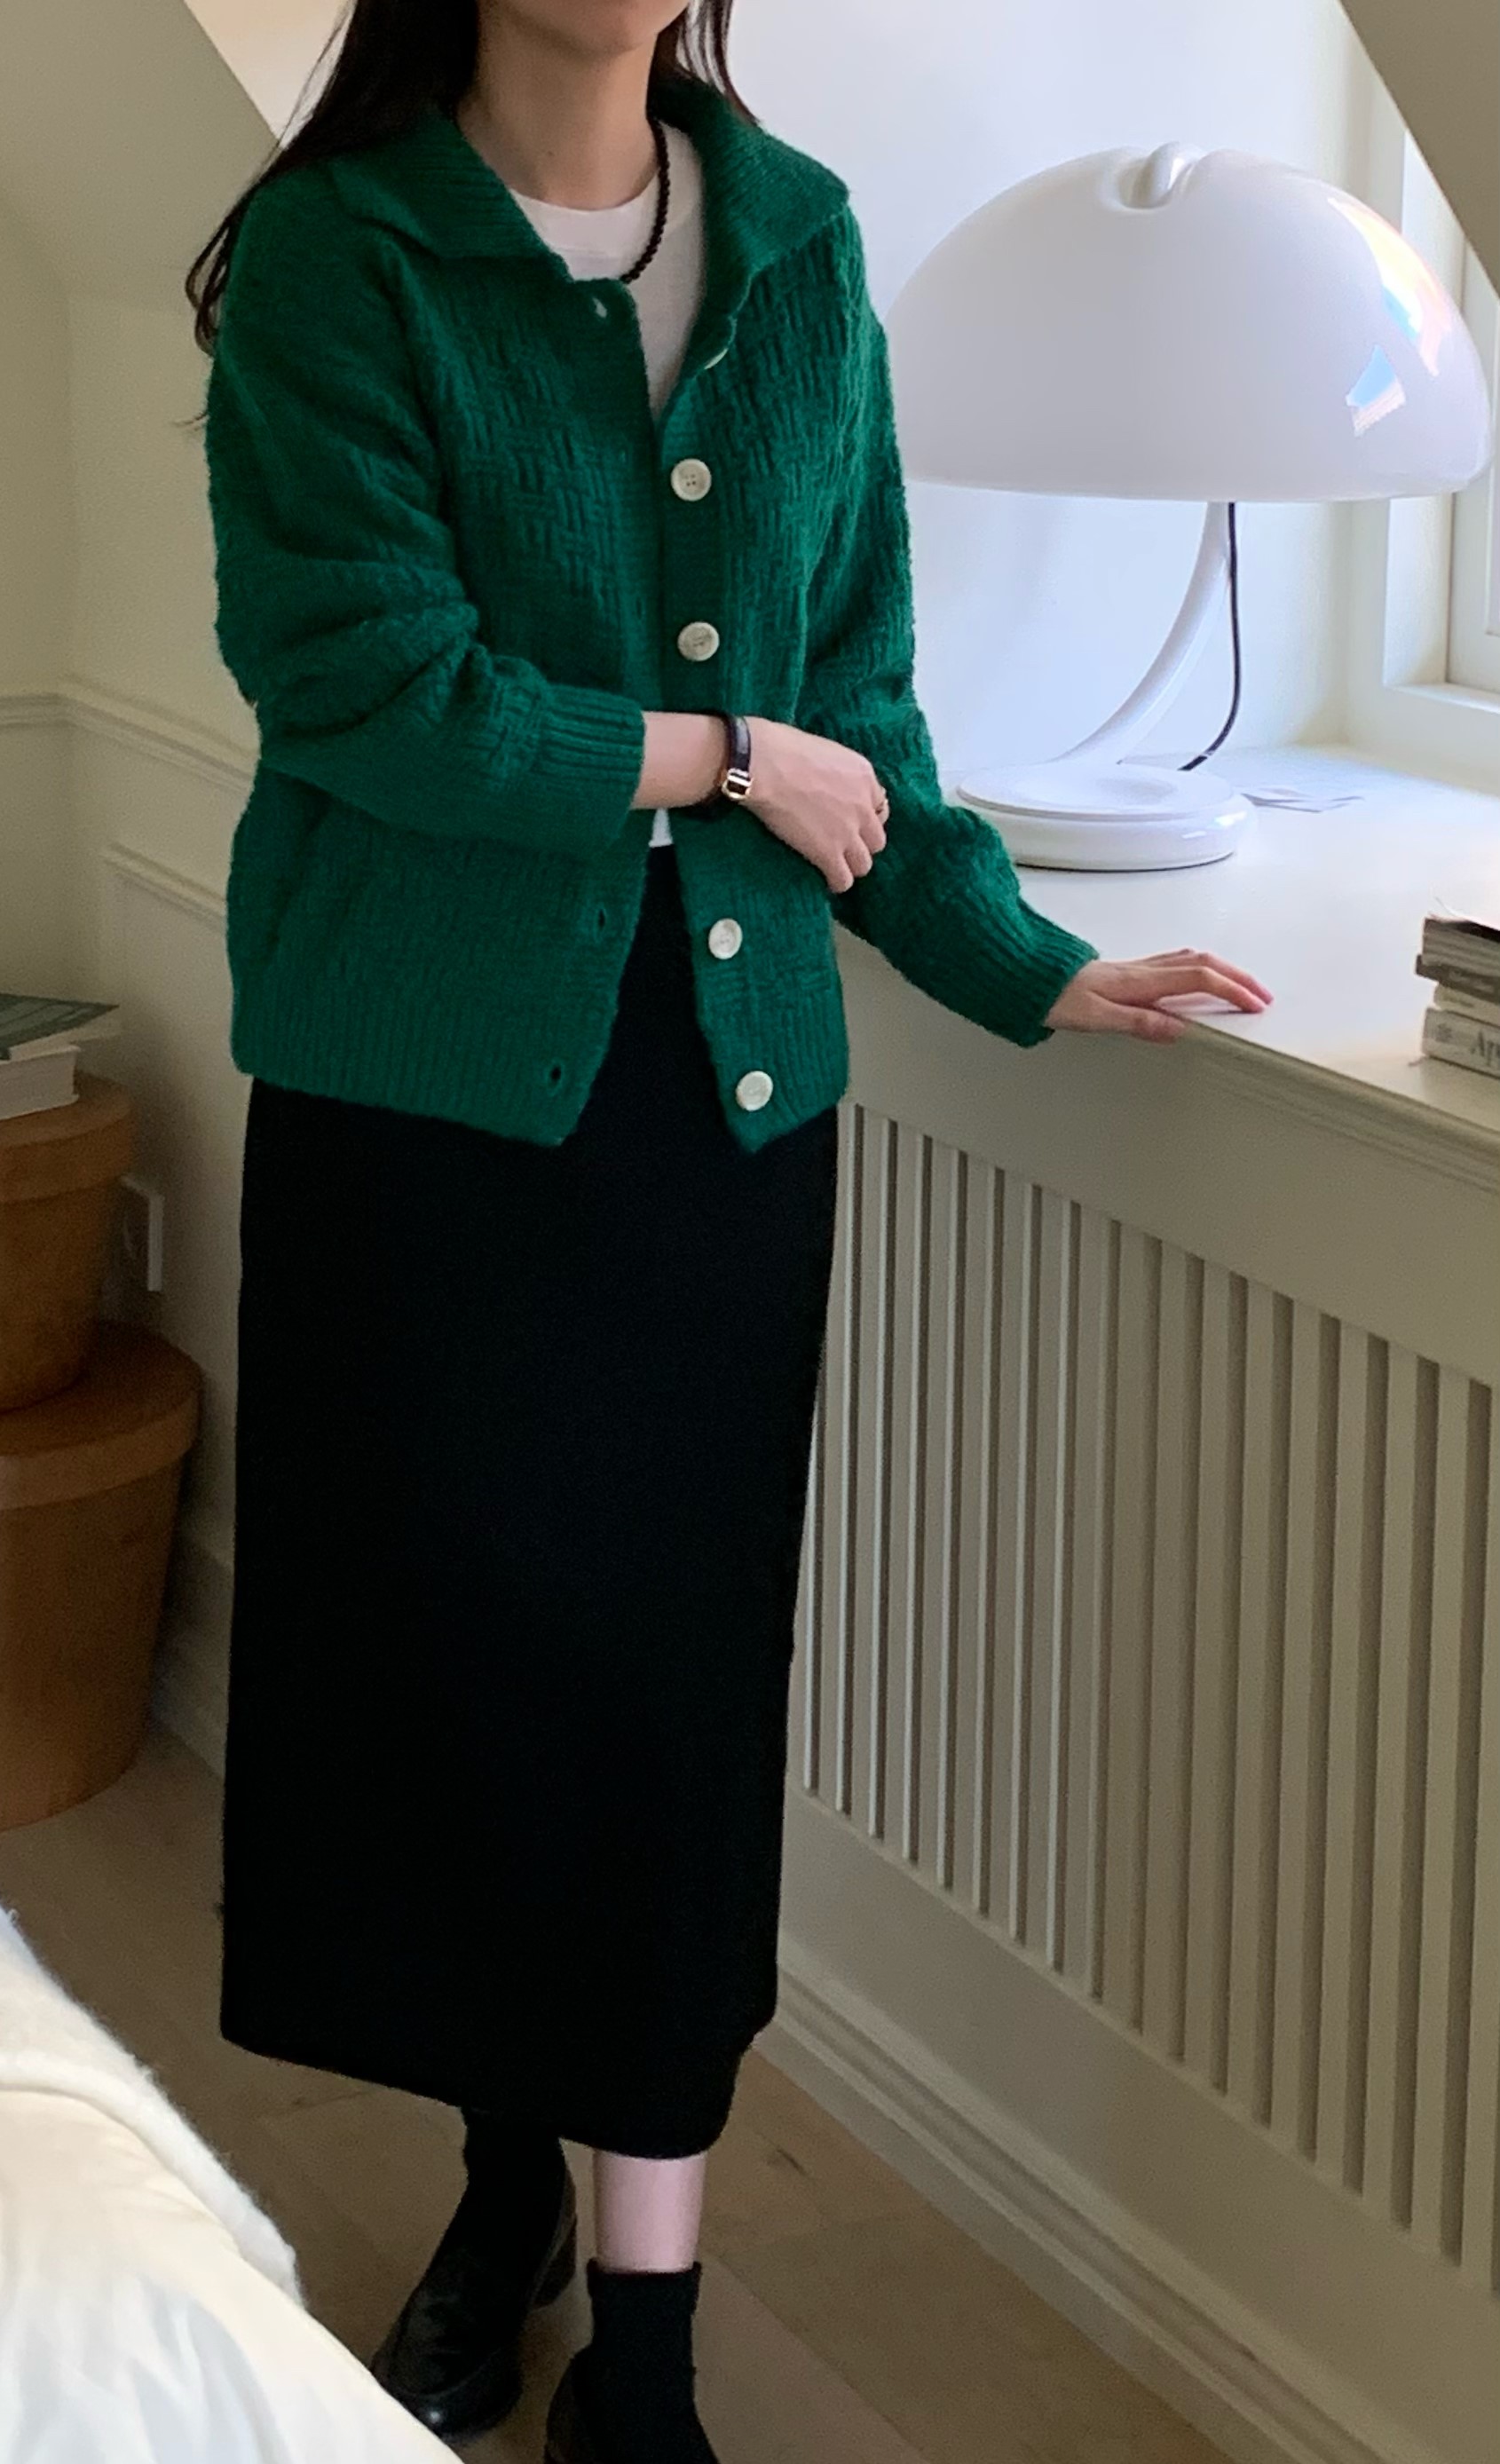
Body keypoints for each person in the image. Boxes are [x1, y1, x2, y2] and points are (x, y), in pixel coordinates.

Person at [188, 7, 1270, 2460]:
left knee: (663, 1707)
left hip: (718, 1113)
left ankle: (652, 2343)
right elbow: (361, 683)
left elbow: (860, 684)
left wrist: (1022, 959)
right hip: (420, 1111)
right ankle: (503, 2197)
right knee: (458, 1683)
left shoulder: (796, 245)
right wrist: (714, 753)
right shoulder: (343, 252)